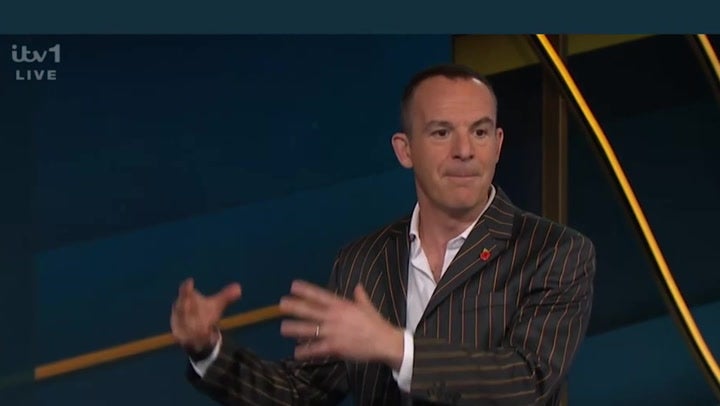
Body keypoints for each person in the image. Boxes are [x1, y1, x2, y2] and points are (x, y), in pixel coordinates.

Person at [170, 63, 596, 405]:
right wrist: (208, 350)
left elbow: (526, 384)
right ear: (404, 150)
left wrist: (395, 346)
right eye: (442, 132)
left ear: (498, 145)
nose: (465, 151)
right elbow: (300, 394)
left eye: (480, 132)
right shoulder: (362, 261)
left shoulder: (555, 252)